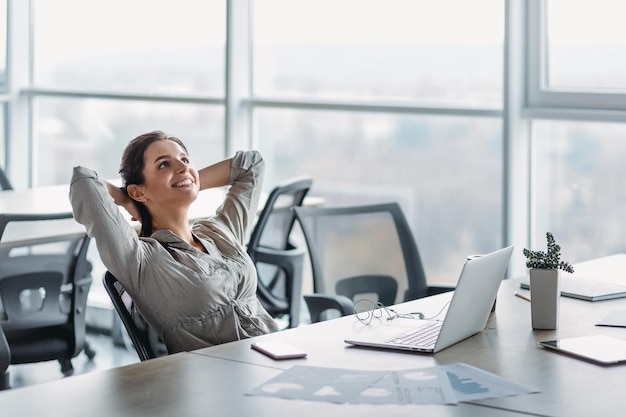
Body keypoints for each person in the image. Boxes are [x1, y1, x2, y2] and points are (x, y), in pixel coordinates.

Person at [70, 130, 279, 354]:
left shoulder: (220, 232)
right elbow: (84, 181)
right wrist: (128, 199)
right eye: (163, 165)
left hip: (277, 354)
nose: (182, 167)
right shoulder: (141, 259)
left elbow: (252, 165)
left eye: (184, 160)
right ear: (138, 192)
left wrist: (189, 180)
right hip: (221, 378)